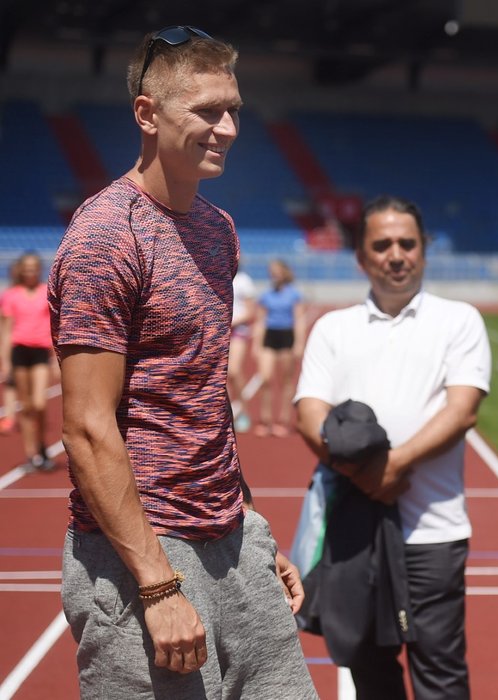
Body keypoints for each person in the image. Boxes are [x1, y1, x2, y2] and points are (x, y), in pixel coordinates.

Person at [47, 25, 317, 698]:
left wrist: (250, 523)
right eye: (206, 111)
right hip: (146, 555)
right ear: (148, 113)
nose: (226, 127)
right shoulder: (108, 234)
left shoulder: (217, 231)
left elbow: (202, 394)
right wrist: (159, 585)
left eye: (233, 111)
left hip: (233, 540)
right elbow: (85, 426)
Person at [294, 194, 491, 700]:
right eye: (381, 245)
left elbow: (462, 409)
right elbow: (309, 413)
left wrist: (394, 465)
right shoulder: (332, 328)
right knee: (369, 670)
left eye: (407, 243)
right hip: (354, 528)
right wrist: (362, 474)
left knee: (440, 674)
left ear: (423, 250)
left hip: (434, 530)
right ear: (361, 257)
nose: (396, 254)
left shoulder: (459, 320)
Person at [1, 252, 57, 470]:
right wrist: (5, 361)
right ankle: (31, 454)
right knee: (25, 407)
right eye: (27, 267)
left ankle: (42, 445)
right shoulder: (11, 295)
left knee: (40, 403)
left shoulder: (46, 293)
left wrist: (55, 358)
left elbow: (54, 326)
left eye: (34, 267)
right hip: (20, 352)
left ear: (38, 269)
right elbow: (5, 331)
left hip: (41, 352)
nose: (30, 271)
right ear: (21, 270)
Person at [253, 258, 304, 437]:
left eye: (276, 271)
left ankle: (283, 419)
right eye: (271, 271)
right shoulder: (266, 295)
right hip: (270, 336)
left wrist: (298, 343)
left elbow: (299, 320)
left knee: (286, 381)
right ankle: (265, 419)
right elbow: (259, 321)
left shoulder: (294, 294)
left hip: (286, 336)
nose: (273, 274)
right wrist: (256, 344)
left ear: (284, 273)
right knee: (265, 378)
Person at [229, 268, 256, 432]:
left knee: (234, 371)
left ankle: (244, 412)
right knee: (221, 376)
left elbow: (250, 311)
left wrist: (231, 322)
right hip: (221, 332)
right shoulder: (218, 277)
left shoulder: (244, 280)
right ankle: (228, 413)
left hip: (238, 331)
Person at [0, 260, 23, 435]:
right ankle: (10, 417)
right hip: (13, 344)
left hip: (30, 345)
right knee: (10, 383)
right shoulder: (7, 295)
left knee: (26, 386)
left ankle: (28, 415)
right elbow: (3, 325)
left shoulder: (36, 292)